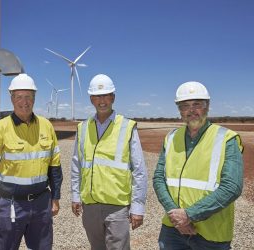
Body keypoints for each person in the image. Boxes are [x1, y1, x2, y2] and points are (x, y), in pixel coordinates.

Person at [153, 81, 244, 250]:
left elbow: (232, 186)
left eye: (197, 104)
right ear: (179, 110)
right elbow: (159, 178)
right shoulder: (171, 138)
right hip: (173, 230)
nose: (191, 110)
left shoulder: (226, 139)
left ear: (207, 106)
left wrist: (189, 215)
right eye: (185, 105)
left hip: (211, 234)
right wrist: (176, 216)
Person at [0, 73, 63, 250]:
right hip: (10, 204)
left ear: (34, 98)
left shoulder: (46, 126)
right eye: (19, 96)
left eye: (28, 96)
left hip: (41, 203)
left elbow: (55, 166)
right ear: (11, 98)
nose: (24, 101)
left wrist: (55, 197)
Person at [71, 74, 148, 250]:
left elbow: (139, 170)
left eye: (106, 95)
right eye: (97, 96)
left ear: (113, 97)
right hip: (89, 205)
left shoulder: (127, 127)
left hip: (117, 207)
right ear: (91, 99)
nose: (102, 100)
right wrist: (75, 195)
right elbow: (76, 165)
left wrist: (137, 207)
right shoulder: (82, 128)